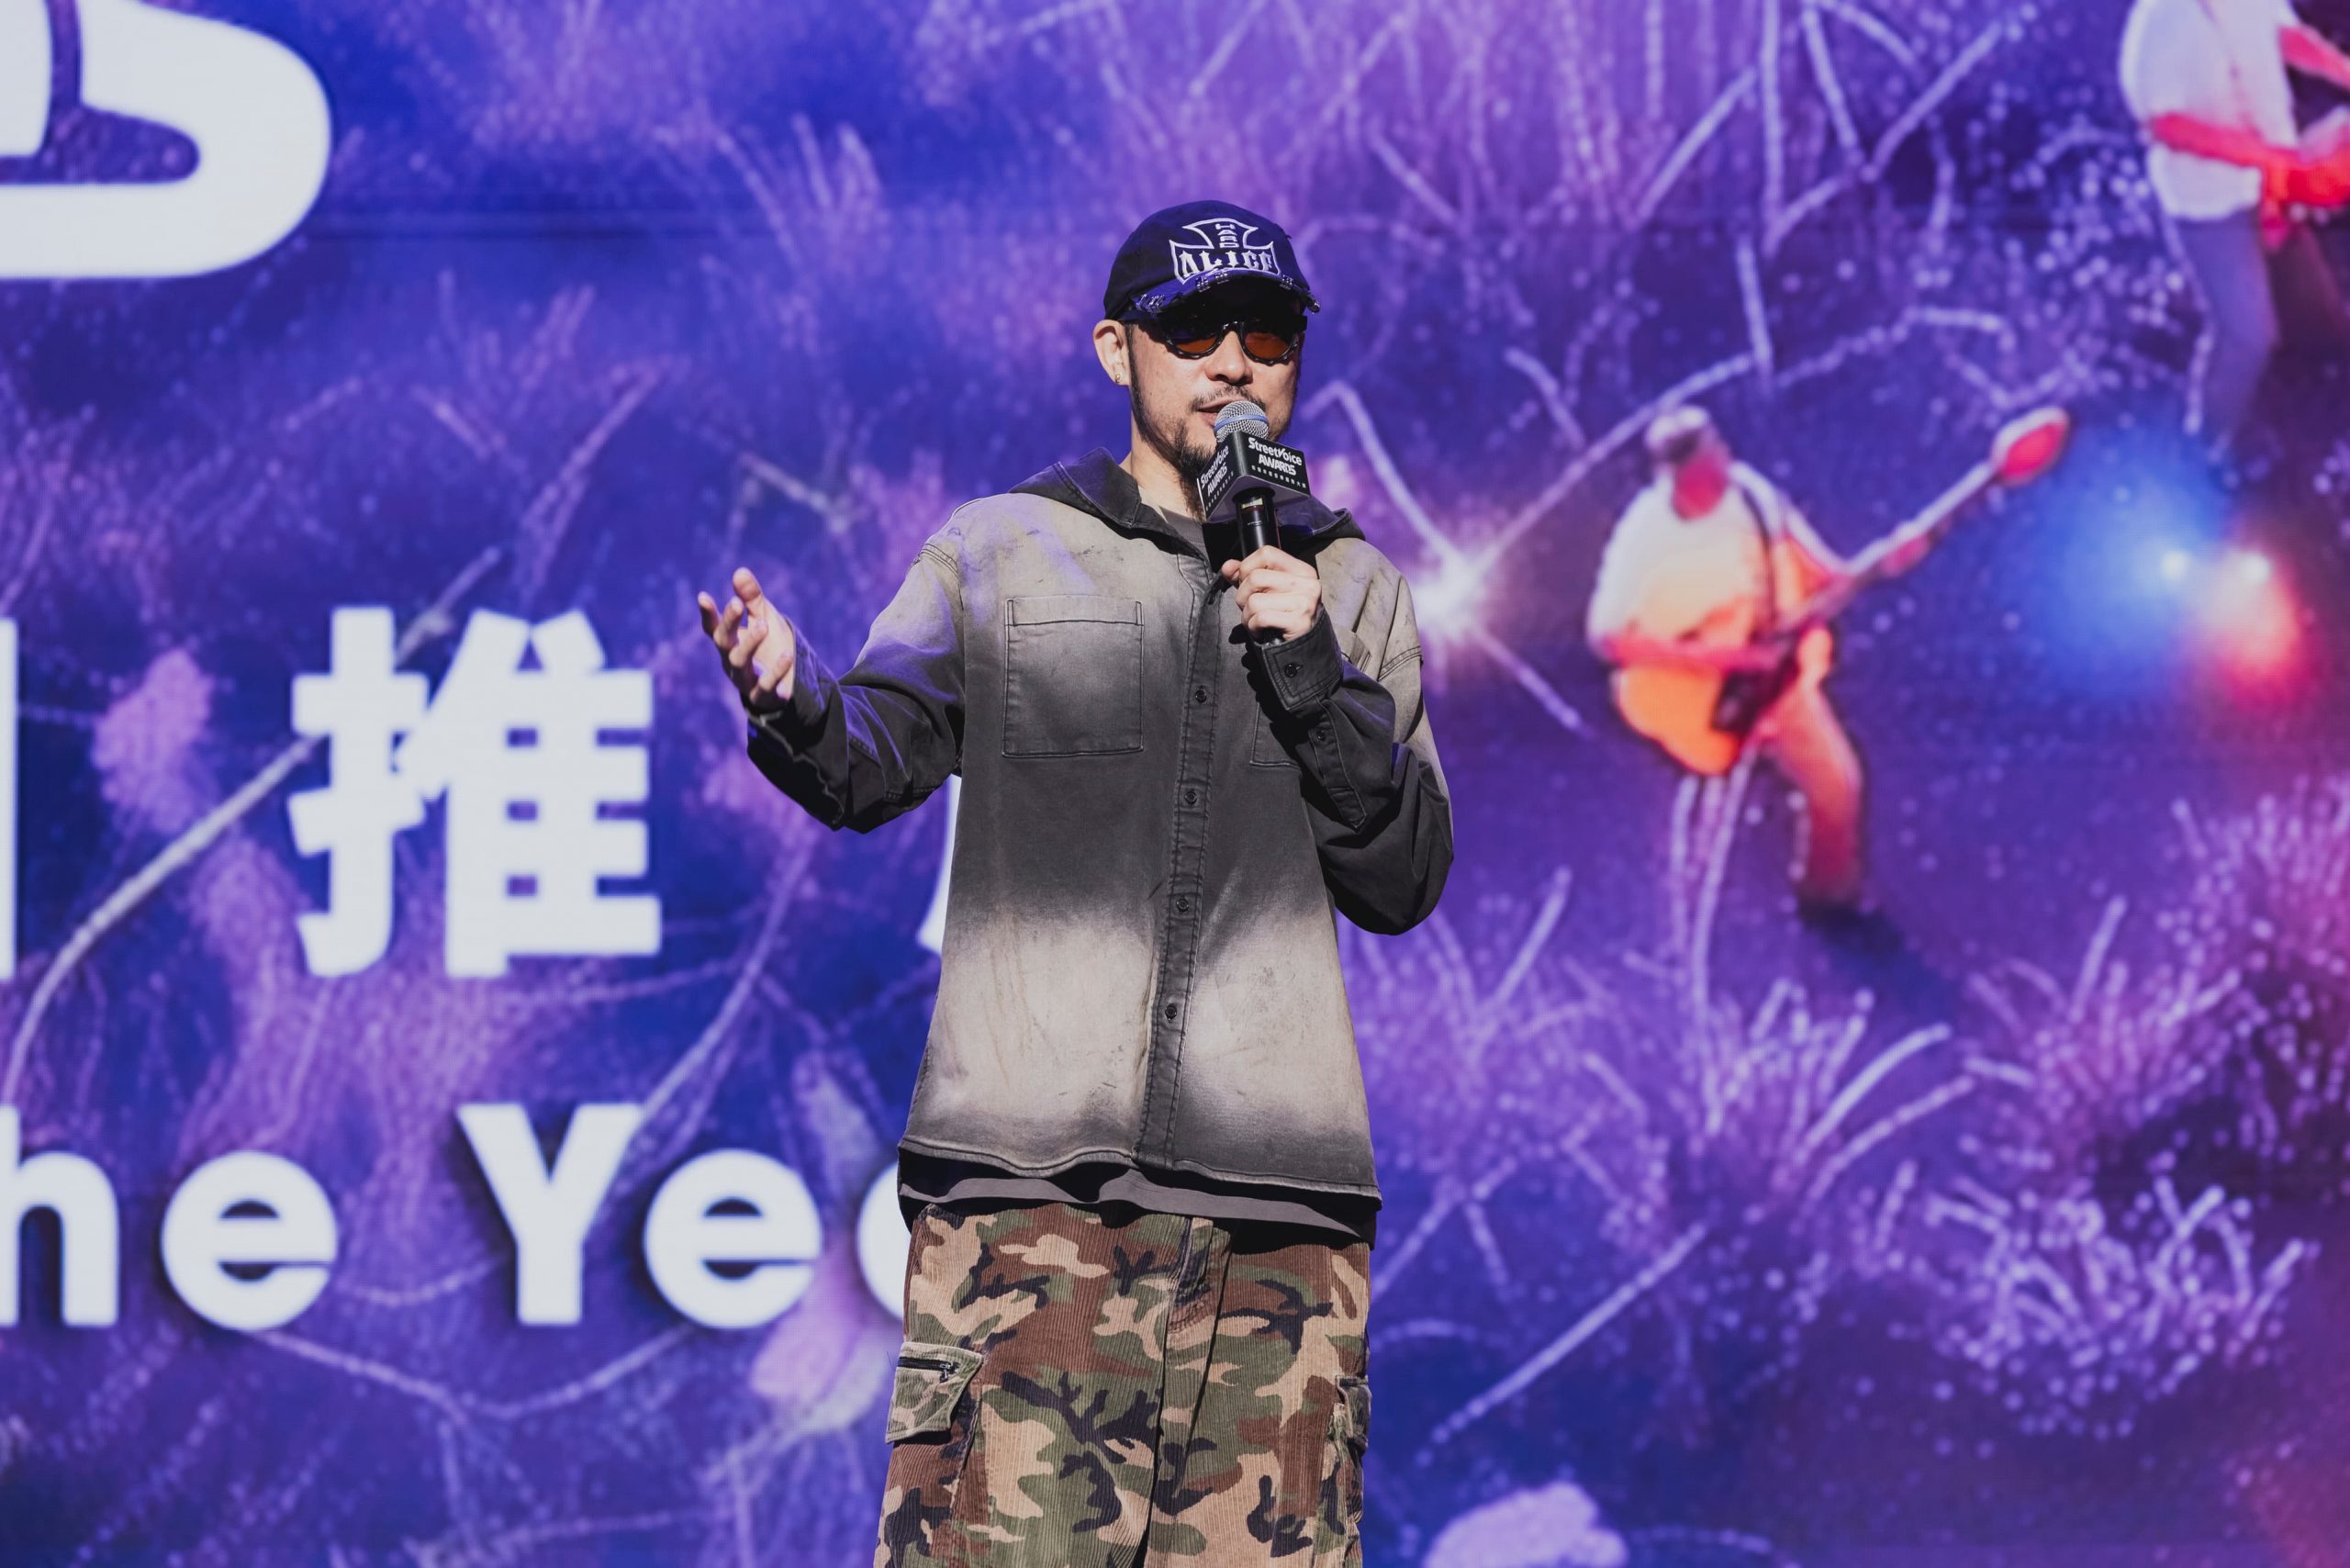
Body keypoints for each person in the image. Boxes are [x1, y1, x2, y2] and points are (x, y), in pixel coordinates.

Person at [695, 198, 1451, 1566]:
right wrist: (792, 696)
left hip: (1277, 1230)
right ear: (1118, 350)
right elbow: (866, 763)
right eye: (1193, 330)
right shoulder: (1000, 552)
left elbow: (1400, 875)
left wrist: (1312, 668)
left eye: (1266, 334)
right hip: (1030, 1209)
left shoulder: (1350, 587)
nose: (1233, 362)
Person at [1586, 408, 1910, 918]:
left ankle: (1828, 897)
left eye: (1720, 455)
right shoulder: (1643, 536)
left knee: (1838, 785)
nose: (1722, 472)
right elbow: (1606, 638)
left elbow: (1823, 573)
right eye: (1705, 470)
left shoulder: (1753, 495)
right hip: (1691, 687)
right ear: (1673, 478)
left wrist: (1882, 562)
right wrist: (1720, 658)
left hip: (1771, 674)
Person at [2120, 0, 2350, 450]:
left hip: (2272, 189)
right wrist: (2270, 158)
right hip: (2212, 205)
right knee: (2249, 335)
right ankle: (2203, 447)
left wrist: (2343, 71)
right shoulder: (2161, 22)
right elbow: (2168, 128)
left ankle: (2313, 429)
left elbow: (2286, 37)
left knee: (2317, 314)